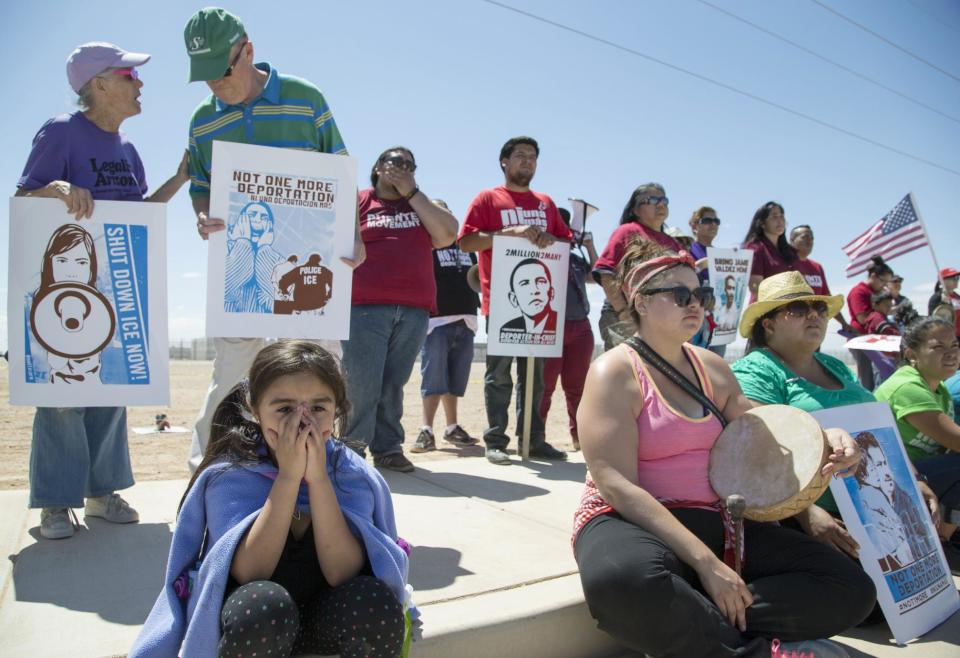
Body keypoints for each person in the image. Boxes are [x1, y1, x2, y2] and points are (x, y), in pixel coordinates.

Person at [573, 239, 875, 657]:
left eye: (703, 295)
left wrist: (830, 439)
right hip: (631, 519)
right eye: (680, 295)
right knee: (622, 583)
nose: (696, 303)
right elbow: (615, 483)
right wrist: (706, 564)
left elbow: (764, 427)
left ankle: (704, 629)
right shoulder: (613, 372)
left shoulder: (711, 367)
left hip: (712, 517)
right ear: (641, 302)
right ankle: (751, 650)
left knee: (850, 587)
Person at [130, 341, 414, 658]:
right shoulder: (232, 476)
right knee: (262, 607)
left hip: (328, 619)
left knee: (373, 602)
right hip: (261, 622)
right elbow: (251, 572)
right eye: (284, 409)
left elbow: (342, 573)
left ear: (337, 409)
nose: (302, 423)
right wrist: (289, 478)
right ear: (255, 409)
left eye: (318, 409)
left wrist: (318, 480)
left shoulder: (352, 475)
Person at [16, 42, 188, 539]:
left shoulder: (128, 149)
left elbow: (141, 216)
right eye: (129, 76)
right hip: (63, 287)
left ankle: (100, 492)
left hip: (113, 286)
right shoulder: (62, 132)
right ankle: (54, 502)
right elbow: (25, 197)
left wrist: (180, 179)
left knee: (112, 388)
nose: (139, 84)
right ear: (99, 84)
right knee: (63, 395)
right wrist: (57, 190)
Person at [183, 7, 361, 471]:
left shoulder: (306, 98)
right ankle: (211, 469)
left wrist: (354, 236)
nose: (215, 86)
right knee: (233, 369)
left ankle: (325, 468)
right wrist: (203, 216)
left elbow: (340, 174)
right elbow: (200, 186)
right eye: (204, 77)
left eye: (222, 71)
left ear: (249, 51)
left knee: (318, 362)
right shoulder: (202, 121)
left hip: (312, 264)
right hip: (239, 264)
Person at [731, 271, 938, 560]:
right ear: (768, 324)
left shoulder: (834, 364)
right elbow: (760, 446)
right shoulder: (757, 370)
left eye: (819, 309)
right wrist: (806, 512)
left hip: (879, 507)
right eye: (799, 309)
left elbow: (877, 428)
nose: (814, 315)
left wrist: (915, 481)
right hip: (821, 516)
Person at [340, 147, 457, 472]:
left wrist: (412, 192)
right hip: (364, 306)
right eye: (394, 162)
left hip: (414, 309)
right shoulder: (360, 201)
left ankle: (388, 448)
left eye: (408, 165)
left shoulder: (421, 205)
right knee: (361, 383)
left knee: (393, 384)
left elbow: (448, 234)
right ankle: (352, 452)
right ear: (378, 167)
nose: (401, 168)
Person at [458, 136, 571, 465]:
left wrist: (551, 238)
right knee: (499, 375)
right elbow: (466, 242)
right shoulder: (489, 199)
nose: (527, 161)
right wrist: (508, 234)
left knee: (534, 377)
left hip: (542, 309)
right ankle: (495, 439)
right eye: (520, 156)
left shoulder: (546, 203)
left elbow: (564, 242)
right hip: (502, 303)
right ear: (504, 162)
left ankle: (533, 439)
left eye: (533, 157)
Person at [875, 317, 960, 550]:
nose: (951, 353)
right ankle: (944, 539)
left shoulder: (939, 388)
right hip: (891, 479)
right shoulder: (907, 387)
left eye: (954, 345)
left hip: (919, 472)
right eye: (938, 347)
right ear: (912, 354)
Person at [412, 199, 481, 454]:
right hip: (436, 321)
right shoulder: (425, 245)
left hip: (466, 318)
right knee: (433, 377)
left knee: (454, 379)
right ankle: (426, 430)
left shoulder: (466, 246)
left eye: (445, 211)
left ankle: (452, 427)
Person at [593, 183, 682, 350]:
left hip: (657, 319)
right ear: (635, 209)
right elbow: (606, 274)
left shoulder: (673, 243)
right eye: (653, 200)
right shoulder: (627, 232)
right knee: (626, 371)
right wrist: (624, 313)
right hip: (624, 316)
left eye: (664, 200)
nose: (661, 204)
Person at [539, 208, 597, 451]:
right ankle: (535, 436)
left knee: (577, 387)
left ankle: (578, 436)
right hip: (550, 325)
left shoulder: (575, 258)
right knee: (545, 386)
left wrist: (590, 246)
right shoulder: (540, 253)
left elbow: (598, 275)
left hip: (580, 325)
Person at [790, 224, 852, 332]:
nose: (809, 241)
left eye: (812, 238)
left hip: (814, 327)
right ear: (792, 240)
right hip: (794, 327)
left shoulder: (817, 267)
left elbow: (826, 297)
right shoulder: (786, 265)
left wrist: (843, 323)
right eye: (805, 237)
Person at [847, 255, 894, 391]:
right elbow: (862, 318)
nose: (885, 286)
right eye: (883, 281)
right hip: (860, 339)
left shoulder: (875, 292)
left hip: (873, 341)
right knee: (867, 380)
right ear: (873, 276)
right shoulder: (859, 292)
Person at [224, 200, 280, 313]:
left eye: (264, 218)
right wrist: (244, 241)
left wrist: (264, 249)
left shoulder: (278, 261)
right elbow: (226, 289)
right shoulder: (224, 250)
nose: (258, 220)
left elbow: (281, 301)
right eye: (251, 215)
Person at [742, 201, 797, 303]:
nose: (780, 221)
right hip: (764, 311)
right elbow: (755, 286)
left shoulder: (788, 251)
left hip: (788, 310)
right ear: (762, 223)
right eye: (774, 217)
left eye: (782, 216)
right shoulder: (755, 248)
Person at [687, 206, 724, 356]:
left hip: (719, 318)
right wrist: (700, 265)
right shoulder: (688, 250)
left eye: (716, 221)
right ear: (694, 226)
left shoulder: (720, 255)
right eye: (707, 220)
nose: (713, 224)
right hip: (697, 315)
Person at [498, 258, 559, 340]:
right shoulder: (507, 329)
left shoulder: (561, 325)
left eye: (541, 281)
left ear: (551, 292)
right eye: (525, 283)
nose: (534, 290)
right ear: (513, 299)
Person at [927, 267, 960, 338]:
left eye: (957, 278)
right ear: (943, 281)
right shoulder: (936, 298)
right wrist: (943, 303)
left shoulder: (957, 297)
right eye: (953, 278)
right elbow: (934, 318)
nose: (956, 280)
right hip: (949, 337)